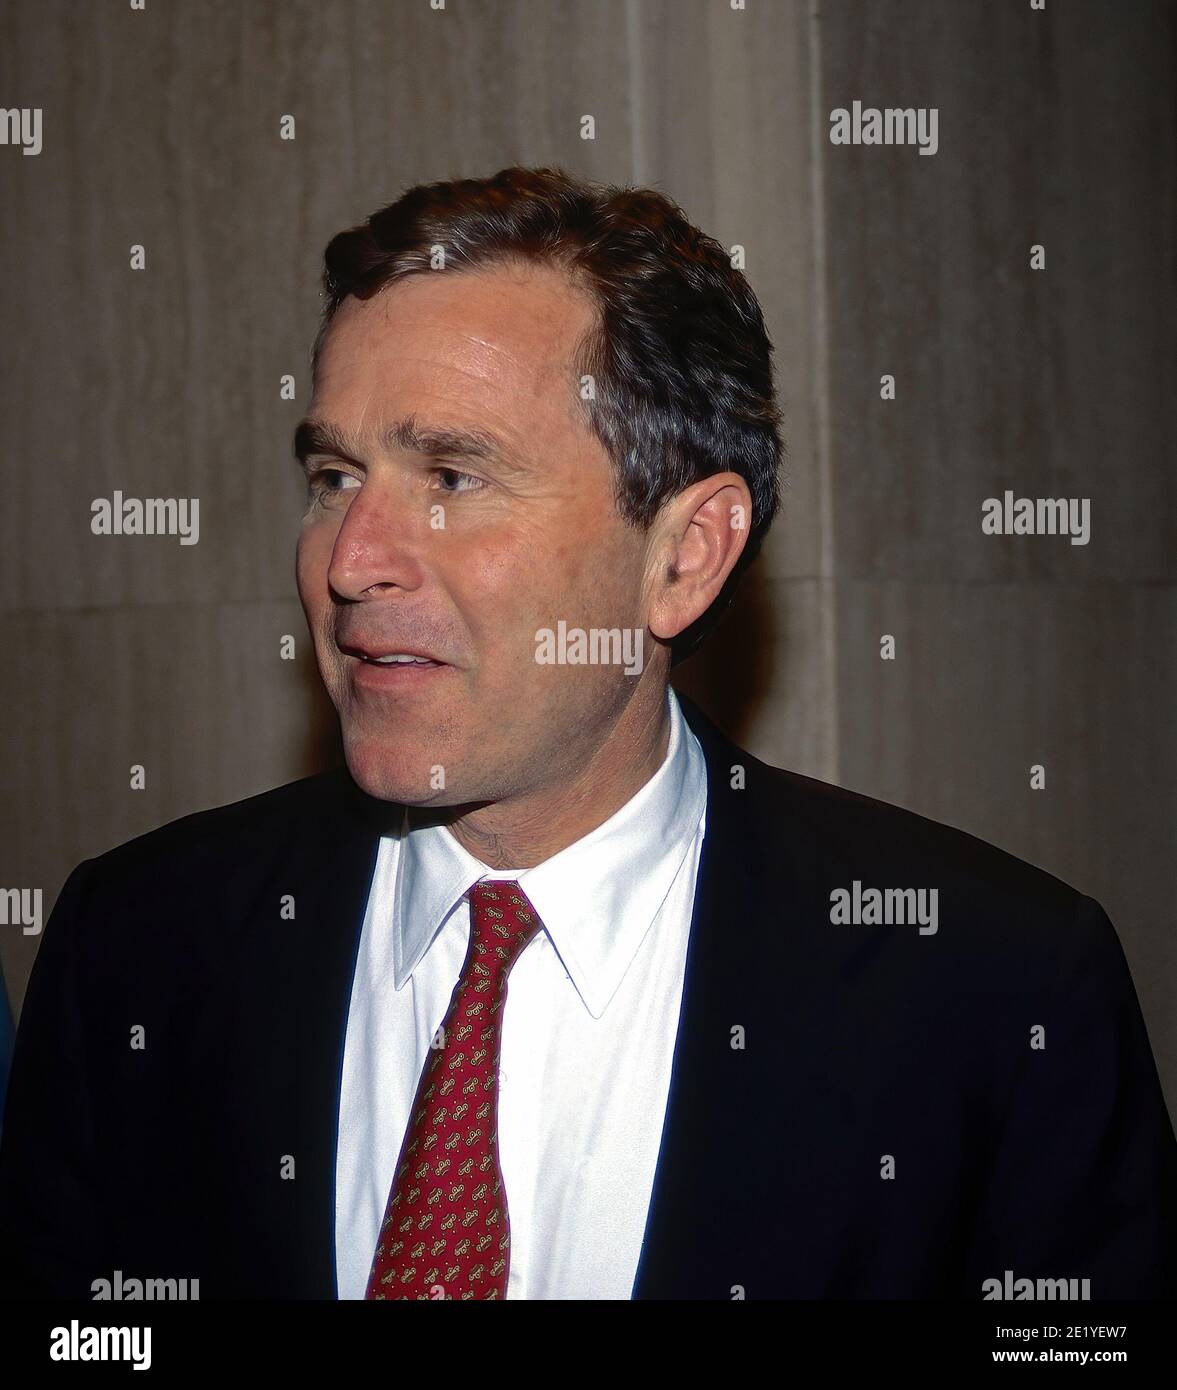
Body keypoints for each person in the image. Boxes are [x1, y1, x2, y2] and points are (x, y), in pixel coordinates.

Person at [2, 167, 1174, 1301]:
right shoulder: (141, 946)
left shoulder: (991, 989)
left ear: (683, 556)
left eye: (453, 475)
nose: (350, 561)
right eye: (332, 474)